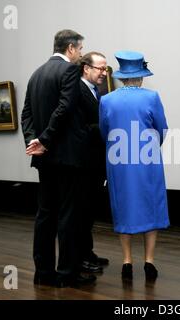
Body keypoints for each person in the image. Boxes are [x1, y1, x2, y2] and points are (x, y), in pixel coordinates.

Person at [21, 29, 95, 288]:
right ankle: (66, 274)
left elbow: (26, 113)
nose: (82, 55)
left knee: (45, 215)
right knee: (68, 216)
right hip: (68, 157)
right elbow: (65, 107)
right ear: (71, 48)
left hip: (44, 159)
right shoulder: (70, 71)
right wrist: (45, 139)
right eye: (81, 49)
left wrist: (33, 141)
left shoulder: (36, 73)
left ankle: (43, 273)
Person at [99, 51, 170, 280]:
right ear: (141, 76)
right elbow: (162, 129)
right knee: (151, 206)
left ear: (121, 76)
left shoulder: (106, 100)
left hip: (118, 161)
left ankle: (127, 262)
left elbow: (104, 131)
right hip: (147, 159)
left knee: (124, 207)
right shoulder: (151, 97)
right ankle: (149, 262)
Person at [76, 52, 110, 274]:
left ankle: (88, 253)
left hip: (95, 163)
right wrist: (108, 127)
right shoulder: (76, 90)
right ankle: (80, 258)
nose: (105, 73)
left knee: (89, 212)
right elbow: (78, 128)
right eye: (101, 68)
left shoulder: (96, 91)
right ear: (86, 68)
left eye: (106, 69)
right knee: (81, 212)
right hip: (82, 163)